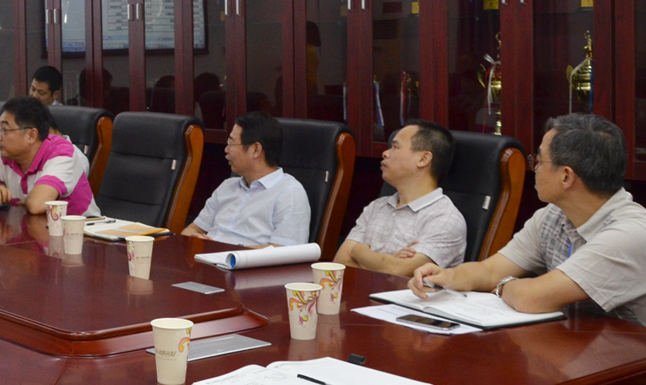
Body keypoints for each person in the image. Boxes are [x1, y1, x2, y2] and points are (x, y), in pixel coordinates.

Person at [408, 114, 646, 385]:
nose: (533, 166)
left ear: (566, 176)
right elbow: (491, 270)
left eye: (538, 159)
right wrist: (445, 276)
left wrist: (504, 286)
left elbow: (531, 297)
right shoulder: (554, 216)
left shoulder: (631, 233)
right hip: (572, 373)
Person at [334, 120, 466, 276]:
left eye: (395, 147)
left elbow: (399, 272)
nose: (385, 153)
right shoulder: (377, 206)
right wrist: (388, 261)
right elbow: (339, 263)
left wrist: (359, 251)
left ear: (423, 159)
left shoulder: (445, 219)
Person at [182, 111, 310, 248]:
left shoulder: (289, 193)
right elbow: (193, 229)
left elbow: (285, 251)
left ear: (255, 150)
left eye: (231, 143)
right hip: (206, 257)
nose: (226, 150)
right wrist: (194, 239)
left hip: (240, 261)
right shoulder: (227, 186)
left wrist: (226, 252)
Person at [0, 96, 100, 216]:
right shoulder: (5, 155)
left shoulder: (61, 153)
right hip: (33, 231)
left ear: (31, 135)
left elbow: (36, 205)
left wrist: (30, 200)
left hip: (82, 235)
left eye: (4, 129)